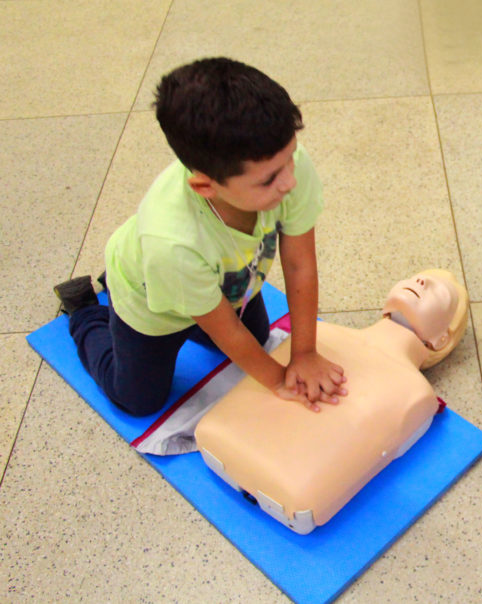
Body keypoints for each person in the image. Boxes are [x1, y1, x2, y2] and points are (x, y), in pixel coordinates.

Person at [52, 57, 347, 417]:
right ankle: (85, 310)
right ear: (206, 186)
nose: (290, 181)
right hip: (151, 305)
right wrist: (280, 382)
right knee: (138, 401)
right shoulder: (172, 245)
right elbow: (224, 330)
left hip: (227, 280)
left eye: (290, 159)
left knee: (257, 345)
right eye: (270, 179)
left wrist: (304, 354)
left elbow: (300, 264)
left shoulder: (282, 165)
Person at [195, 269, 469, 533]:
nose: (420, 281)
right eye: (415, 277)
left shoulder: (416, 394)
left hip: (288, 490)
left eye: (438, 292)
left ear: (442, 338)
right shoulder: (318, 336)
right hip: (247, 457)